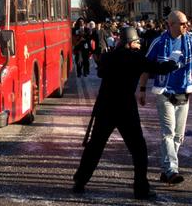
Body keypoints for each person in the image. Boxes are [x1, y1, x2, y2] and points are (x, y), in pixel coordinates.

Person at [73, 27, 178, 199]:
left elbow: (101, 71)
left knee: (95, 147)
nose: (138, 45)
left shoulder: (109, 57)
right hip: (125, 109)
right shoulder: (135, 58)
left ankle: (80, 181)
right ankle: (141, 189)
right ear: (130, 42)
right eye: (136, 42)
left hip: (105, 107)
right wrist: (174, 62)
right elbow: (157, 68)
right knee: (139, 150)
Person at [138, 10, 192, 185]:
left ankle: (165, 169)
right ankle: (171, 170)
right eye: (182, 23)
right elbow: (146, 66)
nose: (186, 26)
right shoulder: (159, 42)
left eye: (186, 23)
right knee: (168, 133)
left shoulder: (191, 39)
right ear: (171, 25)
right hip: (164, 92)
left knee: (178, 136)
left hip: (184, 91)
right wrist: (143, 88)